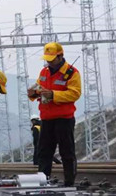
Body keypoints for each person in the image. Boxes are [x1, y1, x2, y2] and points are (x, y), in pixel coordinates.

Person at [27, 42, 81, 186]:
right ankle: (43, 181)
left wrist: (53, 95)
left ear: (60, 56)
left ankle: (69, 182)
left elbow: (75, 94)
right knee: (44, 153)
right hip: (46, 118)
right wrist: (33, 94)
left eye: (52, 58)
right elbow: (39, 88)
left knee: (67, 152)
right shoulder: (44, 72)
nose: (49, 61)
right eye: (47, 59)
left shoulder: (71, 73)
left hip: (64, 118)